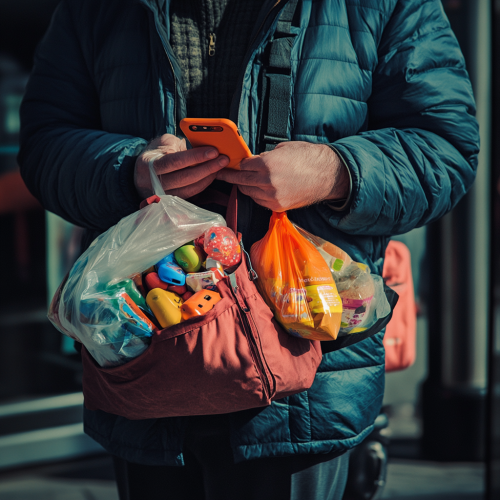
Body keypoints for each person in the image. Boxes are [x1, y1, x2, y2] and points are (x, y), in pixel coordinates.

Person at [18, 0, 479, 498]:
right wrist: (127, 169)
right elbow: (45, 145)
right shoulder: (97, 11)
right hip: (147, 367)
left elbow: (446, 147)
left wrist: (334, 171)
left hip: (304, 381)